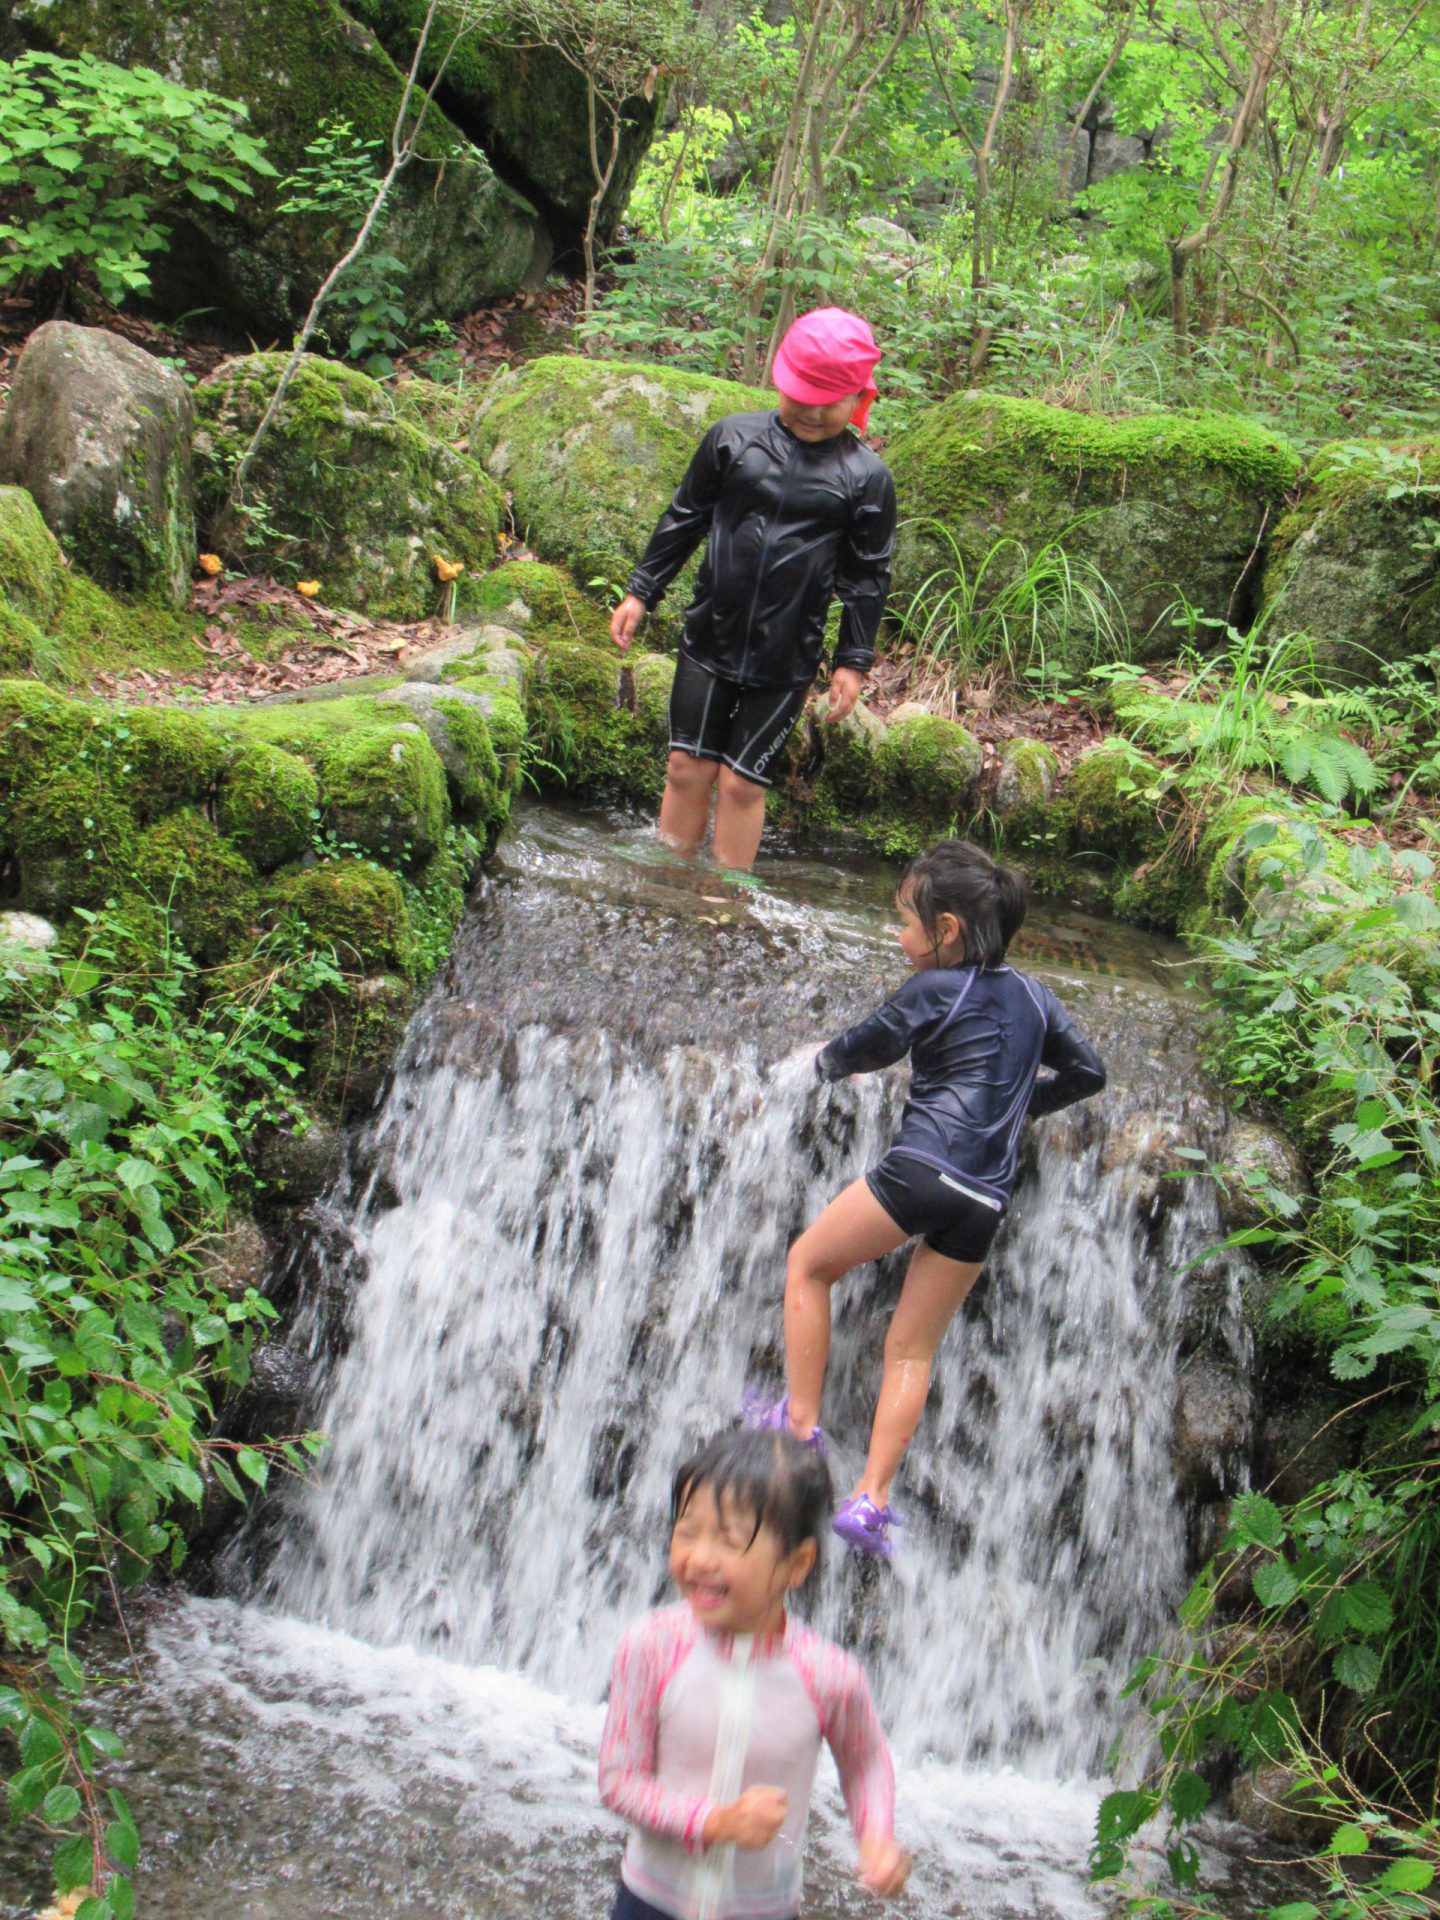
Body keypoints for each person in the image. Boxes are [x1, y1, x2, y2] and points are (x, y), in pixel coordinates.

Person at [753, 842, 1107, 1560]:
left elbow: (870, 1044)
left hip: (921, 1172)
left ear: (947, 930)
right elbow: (1089, 1072)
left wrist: (816, 1066)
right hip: (986, 1199)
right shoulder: (1037, 998)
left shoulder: (935, 988)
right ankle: (871, 1500)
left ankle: (799, 1426)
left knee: (808, 1266)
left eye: (906, 923)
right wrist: (1024, 1106)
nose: (898, 935)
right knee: (912, 1349)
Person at [609, 308, 897, 871]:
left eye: (830, 402)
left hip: (786, 655)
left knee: (742, 782)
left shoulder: (866, 477)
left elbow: (867, 576)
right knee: (686, 767)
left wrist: (853, 660)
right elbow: (684, 517)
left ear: (860, 397)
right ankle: (667, 881)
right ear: (780, 379)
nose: (814, 413)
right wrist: (641, 591)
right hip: (710, 635)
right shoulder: (733, 440)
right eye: (804, 396)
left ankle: (724, 898)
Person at [598, 1426, 909, 1920]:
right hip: (650, 1902)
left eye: (730, 1541)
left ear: (796, 1564)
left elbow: (866, 1763)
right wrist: (714, 1822)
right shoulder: (651, 1646)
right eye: (687, 1531)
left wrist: (876, 1838)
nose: (700, 1558)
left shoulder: (827, 1674)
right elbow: (619, 1781)